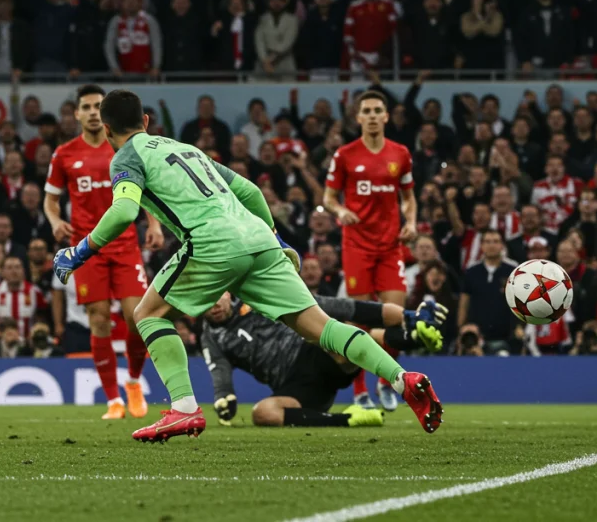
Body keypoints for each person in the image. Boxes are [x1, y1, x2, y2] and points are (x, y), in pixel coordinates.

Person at [52, 90, 442, 442]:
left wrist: (79, 252)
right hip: (257, 236)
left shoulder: (125, 157)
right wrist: (277, 240)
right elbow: (250, 191)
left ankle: (184, 408)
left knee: (147, 315)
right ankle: (401, 378)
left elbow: (123, 211)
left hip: (212, 242)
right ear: (146, 121)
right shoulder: (186, 149)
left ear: (106, 129)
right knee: (322, 327)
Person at [44, 84, 164, 420]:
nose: (92, 112)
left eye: (98, 106)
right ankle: (113, 400)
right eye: (86, 107)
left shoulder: (125, 149)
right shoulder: (64, 154)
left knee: (137, 318)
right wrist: (55, 221)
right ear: (77, 113)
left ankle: (134, 382)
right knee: (98, 320)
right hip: (88, 249)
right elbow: (50, 200)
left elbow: (147, 190)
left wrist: (154, 225)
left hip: (125, 245)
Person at [204, 292, 445, 428]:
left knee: (336, 331)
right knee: (262, 413)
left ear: (227, 292)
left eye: (216, 296)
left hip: (313, 353)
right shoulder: (211, 337)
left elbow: (341, 306)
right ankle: (350, 419)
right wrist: (224, 398)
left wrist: (405, 315)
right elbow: (219, 371)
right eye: (205, 301)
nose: (214, 305)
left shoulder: (256, 295)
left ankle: (411, 333)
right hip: (294, 388)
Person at [321, 90, 418, 411]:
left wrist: (411, 222)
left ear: (386, 116)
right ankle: (360, 389)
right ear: (359, 117)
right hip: (357, 246)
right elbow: (328, 198)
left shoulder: (400, 154)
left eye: (378, 110)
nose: (373, 115)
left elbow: (408, 197)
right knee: (360, 321)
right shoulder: (345, 155)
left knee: (396, 319)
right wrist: (340, 211)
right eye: (367, 111)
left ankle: (387, 382)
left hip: (390, 247)